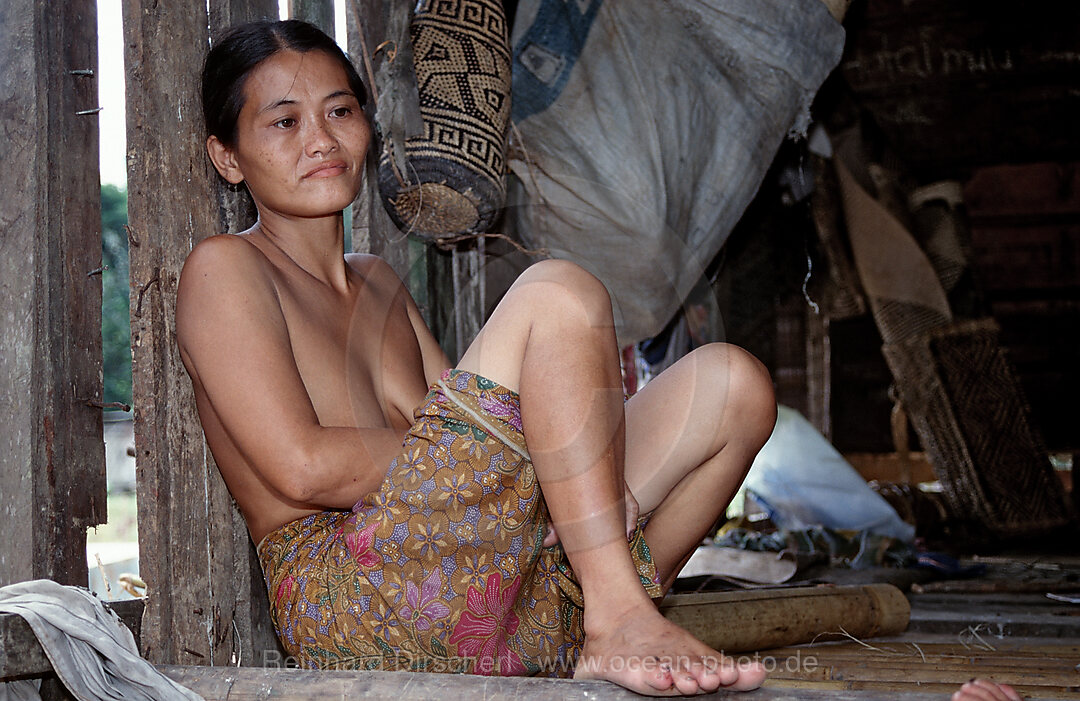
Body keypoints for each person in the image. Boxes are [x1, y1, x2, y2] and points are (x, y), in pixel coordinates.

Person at [177, 19, 776, 696]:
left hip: (495, 590)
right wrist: (551, 461)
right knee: (556, 292)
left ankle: (591, 616)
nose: (322, 139)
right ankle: (620, 614)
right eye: (284, 123)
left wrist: (564, 466)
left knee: (735, 386)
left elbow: (476, 431)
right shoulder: (225, 269)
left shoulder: (377, 279)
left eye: (339, 110)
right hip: (360, 599)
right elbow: (305, 467)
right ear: (228, 157)